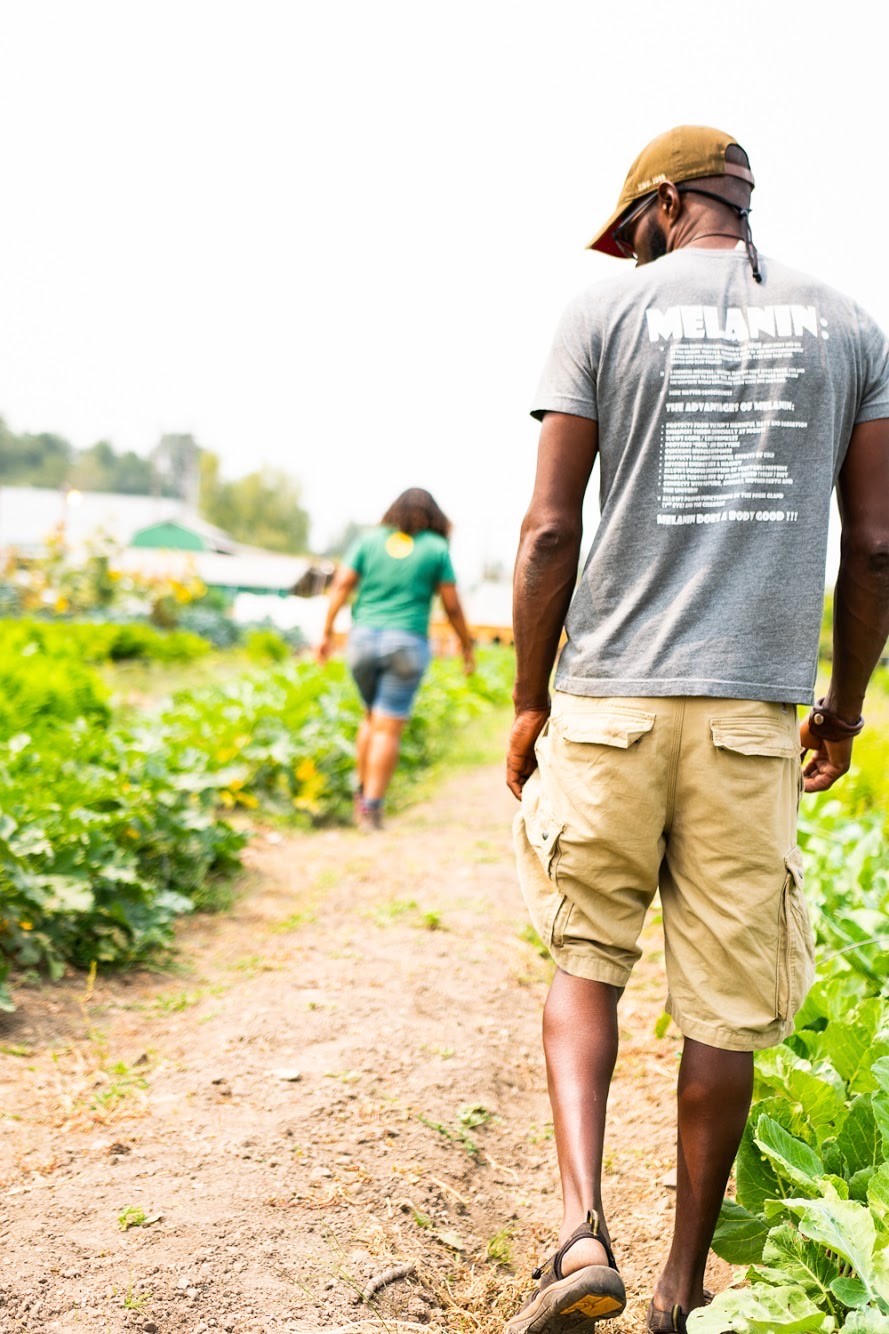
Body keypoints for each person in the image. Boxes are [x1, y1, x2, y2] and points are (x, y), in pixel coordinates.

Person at [505, 125, 889, 1334]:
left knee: (585, 960)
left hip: (614, 697)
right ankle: (676, 1290)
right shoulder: (851, 327)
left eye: (634, 234)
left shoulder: (601, 317)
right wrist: (843, 703)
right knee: (725, 1008)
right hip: (748, 714)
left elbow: (548, 531)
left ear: (668, 204)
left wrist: (528, 696)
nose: (628, 255)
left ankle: (579, 1230)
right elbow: (876, 542)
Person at [317, 487, 474, 829]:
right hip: (406, 642)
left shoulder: (369, 541)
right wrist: (466, 645)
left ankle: (360, 796)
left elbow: (342, 585)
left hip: (361, 640)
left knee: (370, 716)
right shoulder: (436, 548)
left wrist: (326, 633)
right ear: (434, 517)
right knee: (387, 728)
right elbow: (451, 605)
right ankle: (372, 810)